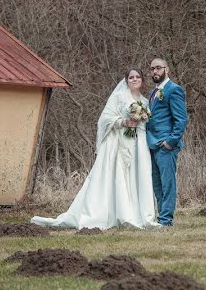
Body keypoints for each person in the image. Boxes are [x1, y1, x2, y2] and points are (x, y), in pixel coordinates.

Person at [31, 68, 158, 230]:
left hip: (138, 144)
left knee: (136, 177)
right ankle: (119, 214)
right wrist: (123, 122)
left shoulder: (145, 102)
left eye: (138, 77)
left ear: (142, 80)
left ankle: (137, 214)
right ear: (126, 81)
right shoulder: (119, 98)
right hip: (119, 143)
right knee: (119, 177)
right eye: (131, 77)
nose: (134, 79)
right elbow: (105, 119)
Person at [146, 58, 188, 226]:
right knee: (157, 184)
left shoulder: (174, 90)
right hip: (152, 145)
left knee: (167, 182)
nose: (155, 71)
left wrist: (170, 142)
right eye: (152, 69)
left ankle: (166, 219)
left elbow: (181, 120)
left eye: (158, 68)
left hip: (166, 145)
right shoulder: (153, 92)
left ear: (167, 70)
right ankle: (161, 217)